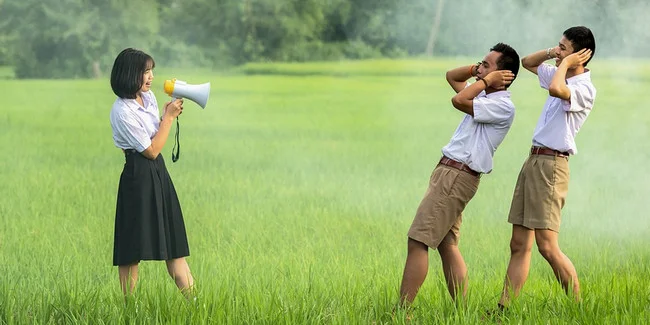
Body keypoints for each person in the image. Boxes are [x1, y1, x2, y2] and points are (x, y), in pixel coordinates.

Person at [399, 43, 520, 306]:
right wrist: (479, 71)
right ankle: (461, 312)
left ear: (503, 75)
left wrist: (486, 79)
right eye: (481, 64)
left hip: (456, 175)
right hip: (451, 173)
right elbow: (452, 77)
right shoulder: (484, 96)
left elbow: (458, 100)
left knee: (418, 240)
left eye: (487, 65)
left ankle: (401, 312)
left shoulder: (501, 106)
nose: (479, 70)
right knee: (446, 244)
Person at [497, 26, 596, 308]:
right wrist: (556, 53)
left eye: (564, 47)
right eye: (558, 46)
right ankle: (504, 309)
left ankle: (578, 308)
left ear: (580, 57)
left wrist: (565, 63)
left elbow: (556, 89)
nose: (557, 52)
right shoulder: (560, 72)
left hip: (553, 165)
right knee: (518, 243)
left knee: (547, 246)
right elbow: (528, 62)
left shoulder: (584, 88)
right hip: (534, 160)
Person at [109, 48, 194, 298]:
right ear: (129, 75)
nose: (151, 77)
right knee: (131, 248)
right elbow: (152, 149)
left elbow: (157, 137)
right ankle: (130, 309)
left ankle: (197, 305)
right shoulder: (122, 111)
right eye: (145, 71)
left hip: (158, 174)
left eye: (151, 71)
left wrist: (166, 116)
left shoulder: (148, 99)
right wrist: (168, 118)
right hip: (138, 175)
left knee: (174, 244)